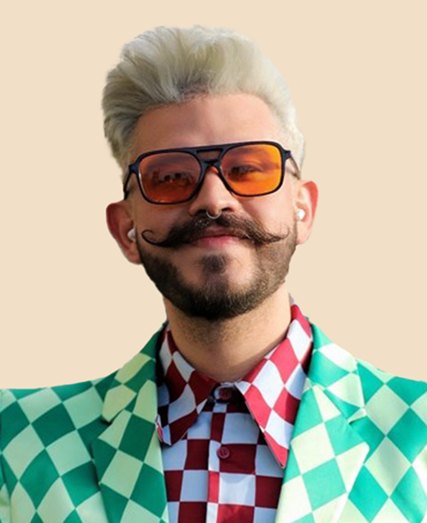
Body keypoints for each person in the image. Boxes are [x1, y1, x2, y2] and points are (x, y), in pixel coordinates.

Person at [0, 25, 426, 523]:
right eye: (170, 177)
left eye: (248, 168)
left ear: (303, 210)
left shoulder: (417, 434)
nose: (213, 198)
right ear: (125, 229)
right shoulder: (19, 441)